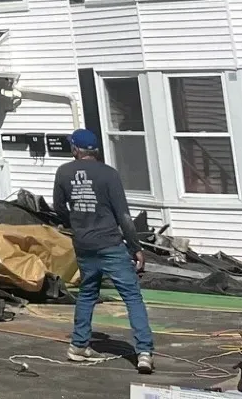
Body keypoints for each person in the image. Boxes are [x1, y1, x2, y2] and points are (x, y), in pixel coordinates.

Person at [54, 128, 155, 373]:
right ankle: (143, 352)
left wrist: (75, 224)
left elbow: (58, 208)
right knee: (132, 296)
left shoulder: (64, 172)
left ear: (76, 149)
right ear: (95, 150)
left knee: (88, 293)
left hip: (84, 245)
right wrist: (135, 247)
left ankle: (78, 346)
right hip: (110, 243)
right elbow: (124, 216)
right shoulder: (109, 174)